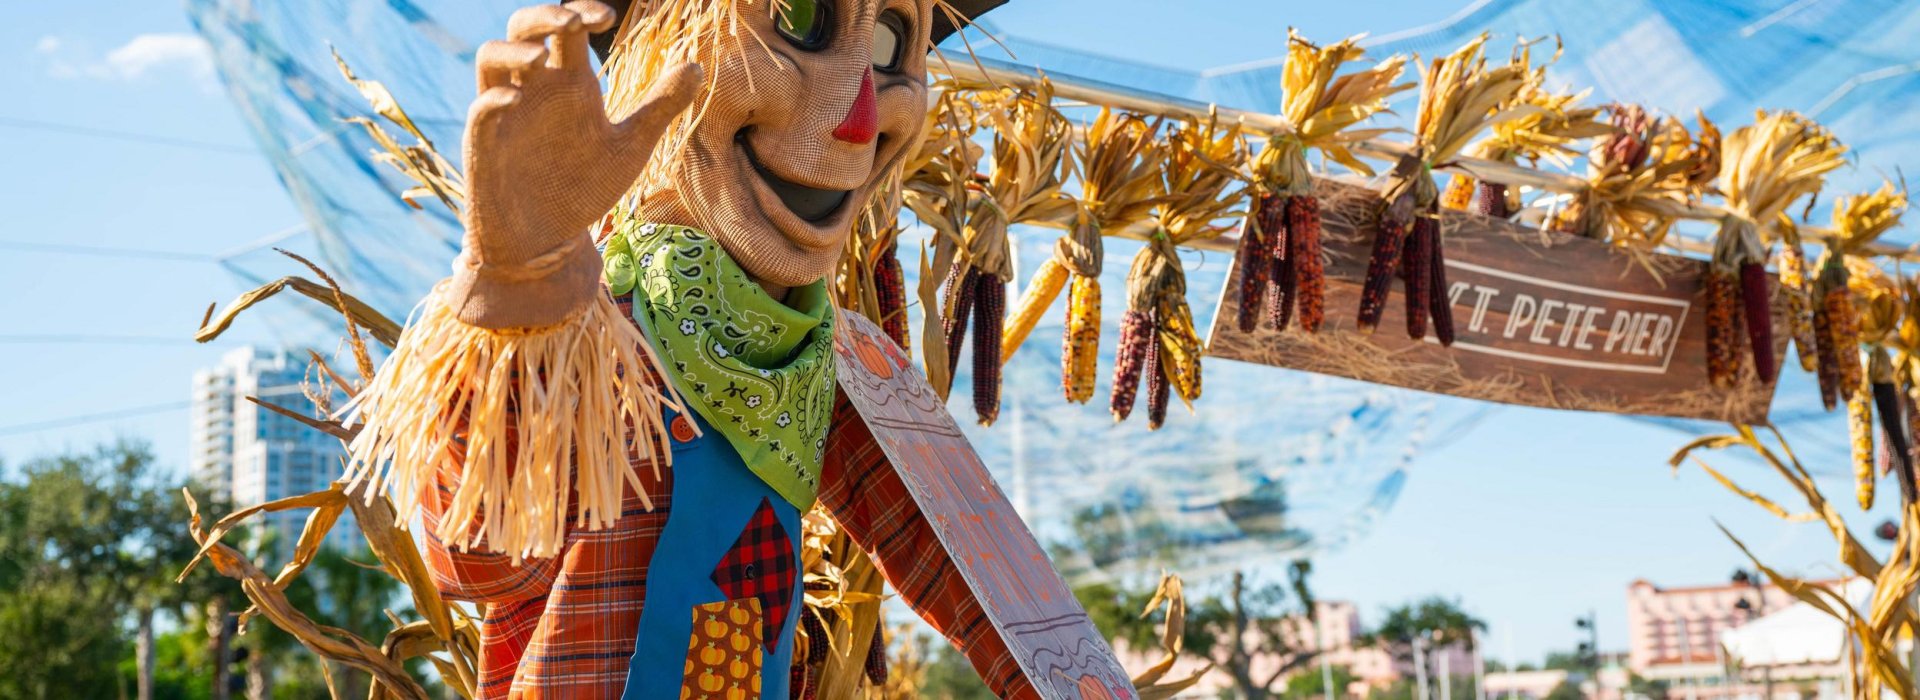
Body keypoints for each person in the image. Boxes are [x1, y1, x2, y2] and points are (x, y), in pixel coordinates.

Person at [337, 2, 1092, 698]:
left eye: (893, 43)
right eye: (800, 17)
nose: (860, 119)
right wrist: (514, 296)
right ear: (656, 44)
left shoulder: (838, 361)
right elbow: (475, 563)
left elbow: (998, 593)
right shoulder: (581, 337)